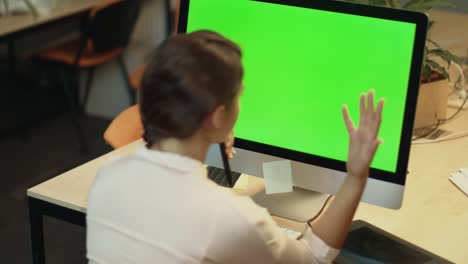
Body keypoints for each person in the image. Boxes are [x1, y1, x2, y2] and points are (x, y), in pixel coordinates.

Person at [86, 30, 384, 263]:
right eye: (238, 95)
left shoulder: (107, 175)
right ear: (217, 117)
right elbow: (313, 257)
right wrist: (355, 177)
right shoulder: (230, 217)